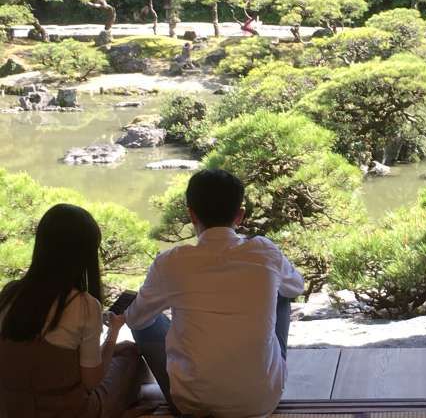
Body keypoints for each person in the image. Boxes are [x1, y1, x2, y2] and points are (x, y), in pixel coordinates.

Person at [125, 169, 304, 418]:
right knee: (282, 291)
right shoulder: (264, 252)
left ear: (191, 214)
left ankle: (179, 389)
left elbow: (135, 319)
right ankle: (264, 373)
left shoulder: (171, 262)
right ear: (239, 216)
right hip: (261, 401)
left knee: (144, 319)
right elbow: (297, 286)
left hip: (193, 406)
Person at [0, 204, 147, 418]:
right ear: (85, 254)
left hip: (12, 408)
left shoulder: (10, 293)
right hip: (70, 411)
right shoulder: (84, 305)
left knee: (117, 352)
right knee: (131, 355)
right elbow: (91, 381)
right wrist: (114, 333)